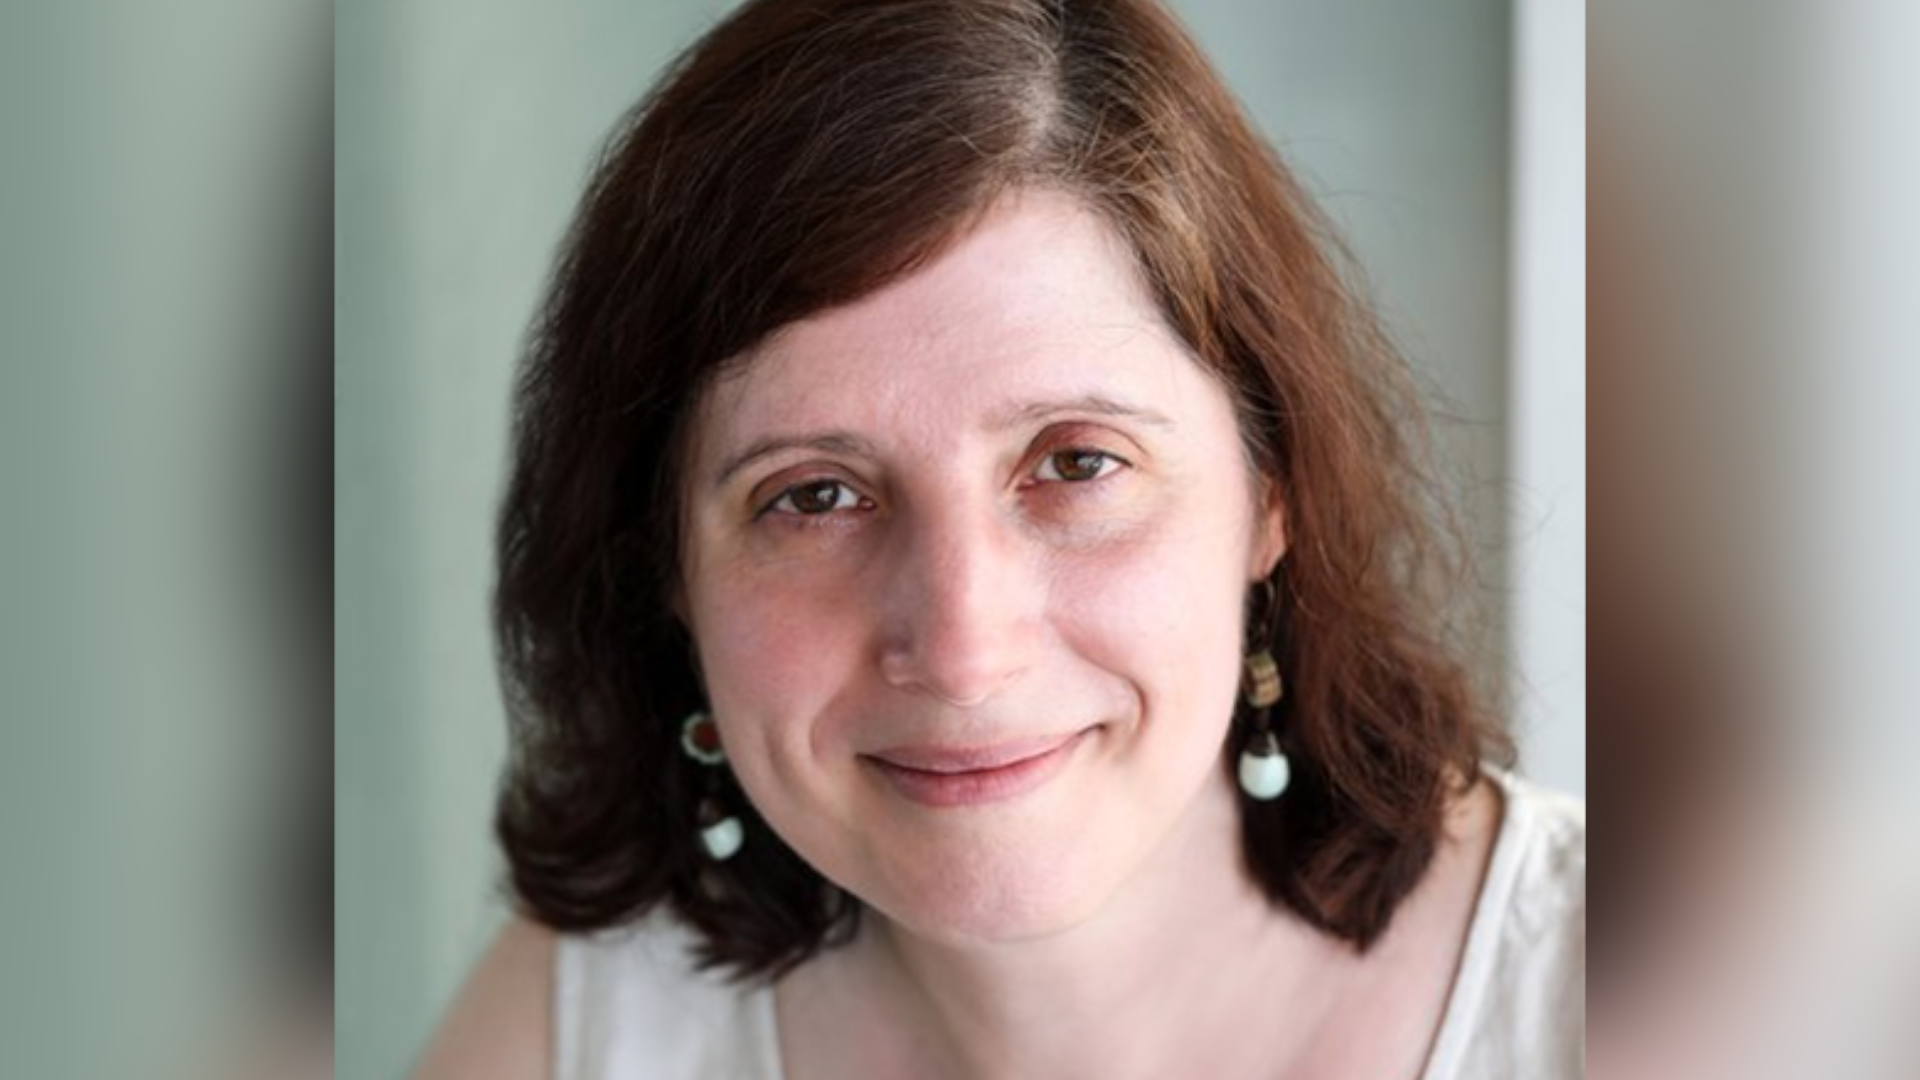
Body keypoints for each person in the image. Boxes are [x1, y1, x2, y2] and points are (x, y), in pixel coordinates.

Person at [413, 1, 1585, 1078]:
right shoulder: (590, 1023)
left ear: (1272, 497)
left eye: (1078, 465)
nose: (967, 652)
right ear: (664, 566)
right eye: (813, 496)